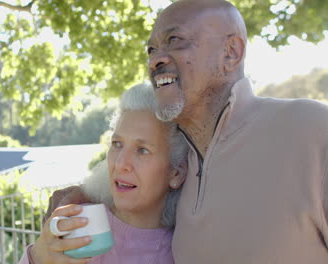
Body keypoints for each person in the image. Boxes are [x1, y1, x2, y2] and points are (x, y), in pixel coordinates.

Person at [46, 0, 328, 263]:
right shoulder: (179, 161)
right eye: (151, 50)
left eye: (174, 40)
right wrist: (82, 194)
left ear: (231, 52)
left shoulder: (309, 128)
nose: (155, 61)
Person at [18, 84, 189, 264]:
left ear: (176, 172)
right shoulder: (78, 225)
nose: (121, 163)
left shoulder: (183, 253)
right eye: (117, 144)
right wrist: (36, 257)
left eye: (142, 150)